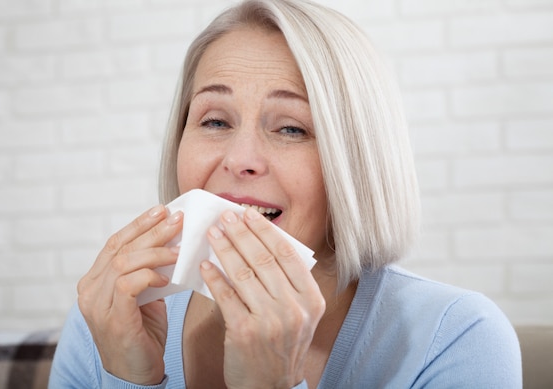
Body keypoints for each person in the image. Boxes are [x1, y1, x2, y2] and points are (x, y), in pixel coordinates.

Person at [49, 0, 522, 388]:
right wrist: (132, 378)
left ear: (356, 162)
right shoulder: (108, 322)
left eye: (292, 128)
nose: (240, 158)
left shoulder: (456, 338)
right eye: (215, 121)